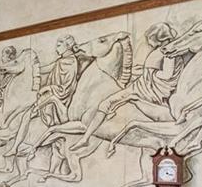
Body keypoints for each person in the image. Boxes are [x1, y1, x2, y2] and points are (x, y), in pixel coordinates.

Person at [69, 22, 182, 151]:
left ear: (159, 37)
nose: (149, 41)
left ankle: (85, 138)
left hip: (149, 90)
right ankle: (86, 138)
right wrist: (144, 72)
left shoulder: (169, 52)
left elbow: (167, 75)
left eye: (151, 38)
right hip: (143, 85)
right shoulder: (162, 50)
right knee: (108, 103)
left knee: (107, 103)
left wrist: (150, 73)